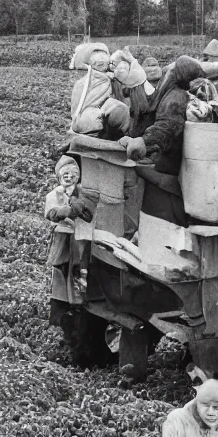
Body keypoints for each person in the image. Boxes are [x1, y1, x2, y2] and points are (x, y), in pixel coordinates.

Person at [120, 55, 207, 227]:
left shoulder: (176, 97)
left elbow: (166, 127)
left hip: (166, 167)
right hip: (164, 163)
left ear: (178, 74)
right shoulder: (168, 93)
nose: (168, 70)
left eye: (173, 69)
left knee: (163, 219)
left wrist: (143, 142)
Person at [45, 156, 100, 300]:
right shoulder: (53, 195)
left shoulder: (84, 193)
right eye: (65, 174)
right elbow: (51, 213)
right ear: (59, 177)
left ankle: (80, 298)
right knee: (61, 268)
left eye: (72, 174)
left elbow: (90, 212)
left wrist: (79, 206)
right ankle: (61, 298)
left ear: (77, 177)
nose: (69, 177)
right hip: (63, 238)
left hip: (81, 237)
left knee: (81, 268)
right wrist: (67, 210)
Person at [70, 42, 131, 137]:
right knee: (90, 120)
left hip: (106, 105)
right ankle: (92, 138)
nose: (102, 59)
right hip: (89, 109)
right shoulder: (83, 82)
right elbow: (77, 103)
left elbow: (122, 92)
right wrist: (76, 118)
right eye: (97, 55)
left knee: (121, 110)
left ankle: (119, 135)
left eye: (103, 55)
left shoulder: (111, 77)